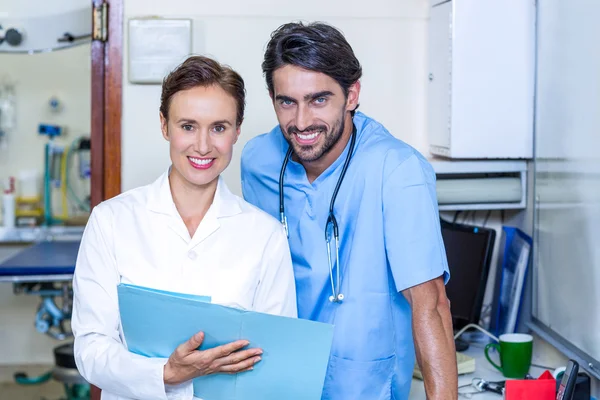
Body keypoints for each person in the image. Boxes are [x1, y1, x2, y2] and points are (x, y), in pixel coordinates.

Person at [241, 22, 458, 399]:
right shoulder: (257, 161)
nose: (302, 121)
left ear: (352, 94)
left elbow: (432, 305)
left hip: (364, 385)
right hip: (278, 379)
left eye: (319, 99)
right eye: (286, 101)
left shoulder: (396, 170)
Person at [72, 55, 297, 400]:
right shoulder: (111, 221)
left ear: (237, 130)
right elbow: (90, 349)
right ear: (165, 125)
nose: (203, 146)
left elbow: (276, 357)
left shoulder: (264, 236)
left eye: (219, 127)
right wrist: (165, 373)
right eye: (188, 126)